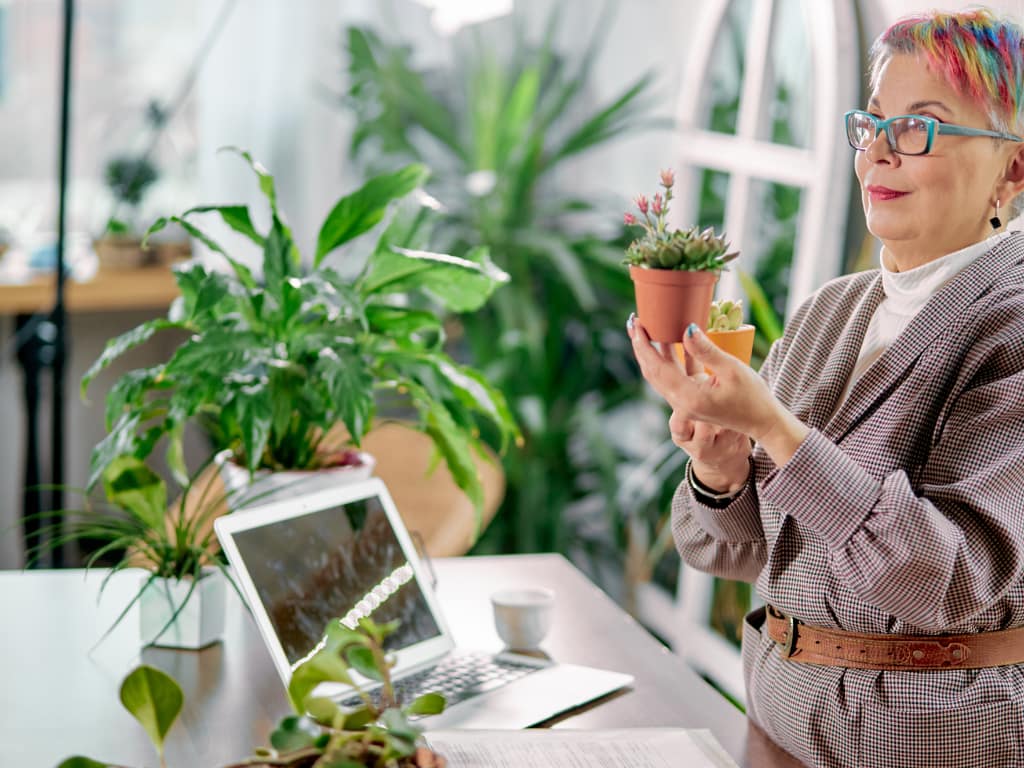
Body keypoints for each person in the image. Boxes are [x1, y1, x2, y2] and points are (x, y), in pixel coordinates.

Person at [628, 8, 1024, 767]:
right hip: (779, 717)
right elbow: (735, 552)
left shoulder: (1010, 328)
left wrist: (778, 430)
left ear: (1012, 168)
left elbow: (946, 579)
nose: (879, 150)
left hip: (928, 744)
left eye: (921, 127)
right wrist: (719, 463)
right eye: (873, 122)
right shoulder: (828, 312)